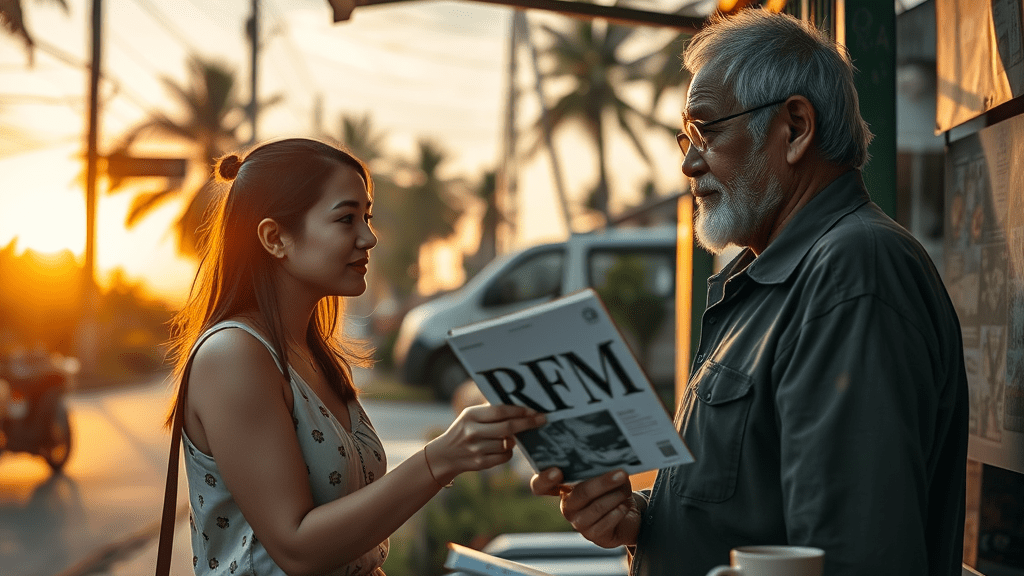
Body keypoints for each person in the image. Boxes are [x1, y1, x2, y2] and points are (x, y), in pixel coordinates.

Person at [530, 9, 969, 576]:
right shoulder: (770, 278)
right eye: (684, 138)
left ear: (794, 129)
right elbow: (753, 510)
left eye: (706, 132)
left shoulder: (854, 271)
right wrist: (641, 519)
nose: (688, 163)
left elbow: (856, 553)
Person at [166, 137, 546, 576]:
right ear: (275, 238)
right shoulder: (233, 355)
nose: (369, 237)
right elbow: (297, 548)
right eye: (346, 218)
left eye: (366, 216)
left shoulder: (313, 355)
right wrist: (441, 458)